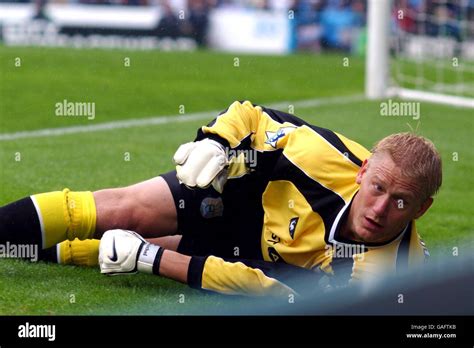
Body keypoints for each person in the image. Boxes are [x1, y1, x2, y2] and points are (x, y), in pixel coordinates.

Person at [0, 100, 440, 297]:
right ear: (363, 173)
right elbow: (251, 115)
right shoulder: (321, 157)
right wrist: (216, 142)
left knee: (120, 248)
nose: (381, 208)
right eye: (378, 188)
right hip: (250, 189)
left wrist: (149, 259)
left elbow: (274, 291)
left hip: (268, 261)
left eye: (401, 201)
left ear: (422, 209)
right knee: (124, 210)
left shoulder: (389, 279)